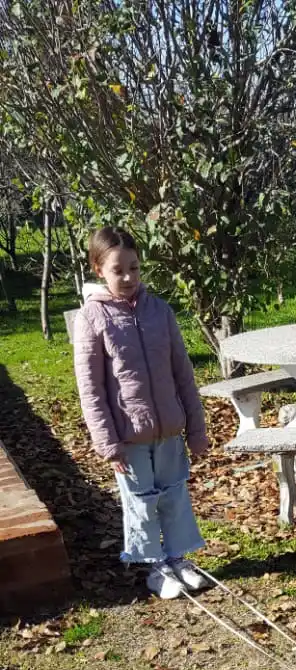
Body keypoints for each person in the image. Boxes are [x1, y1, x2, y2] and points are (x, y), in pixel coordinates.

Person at [74, 226, 210, 599]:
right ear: (99, 269)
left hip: (168, 429)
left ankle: (178, 558)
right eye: (119, 270)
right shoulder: (92, 318)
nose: (129, 277)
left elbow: (183, 372)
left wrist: (195, 429)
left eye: (134, 268)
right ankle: (155, 567)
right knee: (141, 500)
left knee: (174, 494)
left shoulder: (159, 311)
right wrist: (108, 443)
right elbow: (91, 388)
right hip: (128, 437)